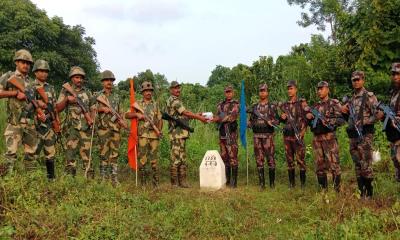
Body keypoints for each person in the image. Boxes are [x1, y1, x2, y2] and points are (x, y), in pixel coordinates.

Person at [0, 49, 38, 175]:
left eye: (28, 63)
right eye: (23, 62)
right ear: (16, 62)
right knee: (10, 154)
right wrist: (15, 93)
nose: (26, 65)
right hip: (14, 123)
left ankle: (31, 181)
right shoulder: (8, 76)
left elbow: (34, 103)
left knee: (31, 155)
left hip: (29, 123)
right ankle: (7, 183)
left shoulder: (32, 83)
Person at [341, 71, 378, 198]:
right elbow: (348, 119)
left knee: (366, 164)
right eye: (353, 80)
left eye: (358, 79)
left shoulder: (369, 96)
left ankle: (370, 194)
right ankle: (361, 193)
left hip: (365, 135)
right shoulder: (350, 99)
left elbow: (377, 115)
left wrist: (364, 121)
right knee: (357, 164)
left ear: (363, 80)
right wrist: (344, 111)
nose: (356, 82)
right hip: (353, 136)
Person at [165, 81, 208, 188]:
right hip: (176, 133)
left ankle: (182, 182)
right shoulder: (174, 100)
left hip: (181, 133)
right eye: (175, 88)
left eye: (179, 88)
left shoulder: (177, 100)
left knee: (182, 158)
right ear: (171, 90)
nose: (177, 90)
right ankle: (174, 183)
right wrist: (200, 118)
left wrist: (197, 114)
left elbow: (184, 114)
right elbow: (185, 113)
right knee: (176, 158)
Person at [56, 66, 95, 176]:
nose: (79, 80)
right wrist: (67, 99)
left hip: (85, 128)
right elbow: (58, 108)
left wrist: (91, 120)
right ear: (72, 78)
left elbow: (93, 108)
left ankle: (89, 182)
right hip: (71, 128)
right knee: (70, 157)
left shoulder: (87, 92)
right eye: (77, 77)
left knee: (87, 157)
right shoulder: (65, 90)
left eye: (81, 78)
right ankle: (70, 182)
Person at [309, 81, 345, 191]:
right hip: (317, 139)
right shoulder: (315, 106)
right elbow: (309, 122)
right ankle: (323, 191)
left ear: (327, 89)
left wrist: (329, 121)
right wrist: (309, 117)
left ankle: (336, 191)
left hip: (329, 139)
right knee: (319, 167)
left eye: (322, 88)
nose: (319, 91)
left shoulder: (334, 103)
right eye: (318, 89)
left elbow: (342, 119)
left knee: (334, 166)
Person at [125, 81, 162, 187]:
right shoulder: (138, 104)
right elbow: (127, 115)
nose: (148, 93)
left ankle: (155, 184)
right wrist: (137, 114)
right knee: (142, 160)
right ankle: (143, 183)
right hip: (142, 135)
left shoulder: (155, 105)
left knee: (154, 160)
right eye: (146, 91)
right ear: (142, 92)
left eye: (150, 91)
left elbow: (159, 119)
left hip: (154, 136)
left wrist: (158, 130)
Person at [279, 80, 312, 188]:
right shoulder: (285, 105)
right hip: (287, 136)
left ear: (296, 89)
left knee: (300, 160)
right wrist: (282, 117)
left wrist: (303, 131)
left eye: (291, 88)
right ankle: (291, 184)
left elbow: (308, 117)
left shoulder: (301, 102)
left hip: (298, 136)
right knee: (289, 160)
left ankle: (302, 185)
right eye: (288, 89)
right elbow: (283, 120)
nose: (289, 90)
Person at [95, 70, 124, 185]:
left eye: (111, 80)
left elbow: (121, 113)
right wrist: (102, 109)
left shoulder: (117, 97)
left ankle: (114, 178)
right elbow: (92, 110)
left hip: (115, 129)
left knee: (115, 154)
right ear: (103, 82)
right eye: (107, 80)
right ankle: (103, 178)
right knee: (103, 154)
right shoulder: (97, 96)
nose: (109, 82)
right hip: (103, 129)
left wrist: (121, 121)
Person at [32, 59, 59, 180]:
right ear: (35, 72)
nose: (43, 74)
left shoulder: (51, 88)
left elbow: (54, 107)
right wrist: (37, 112)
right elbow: (27, 103)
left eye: (45, 71)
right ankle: (31, 179)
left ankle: (51, 179)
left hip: (48, 125)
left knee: (50, 153)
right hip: (34, 126)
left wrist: (56, 122)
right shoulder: (30, 86)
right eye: (41, 71)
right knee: (32, 153)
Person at [248, 83, 279, 189]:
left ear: (267, 92)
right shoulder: (254, 107)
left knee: (270, 159)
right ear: (259, 92)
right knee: (259, 159)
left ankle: (272, 184)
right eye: (261, 91)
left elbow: (277, 120)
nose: (262, 92)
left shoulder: (272, 106)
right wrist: (248, 124)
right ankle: (262, 184)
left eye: (264, 90)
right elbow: (251, 121)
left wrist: (272, 122)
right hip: (257, 136)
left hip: (268, 136)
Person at [211, 85, 240, 188]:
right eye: (226, 92)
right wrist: (210, 118)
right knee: (224, 157)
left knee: (233, 157)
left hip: (231, 135)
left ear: (233, 93)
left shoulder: (235, 104)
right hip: (222, 134)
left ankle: (234, 182)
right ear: (224, 93)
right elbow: (216, 116)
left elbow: (231, 117)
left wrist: (218, 118)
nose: (228, 94)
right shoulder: (220, 105)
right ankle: (227, 180)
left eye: (230, 92)